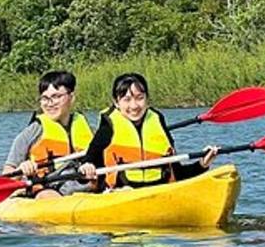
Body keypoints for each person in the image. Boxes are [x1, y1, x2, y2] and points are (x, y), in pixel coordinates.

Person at [79, 72, 218, 191]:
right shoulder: (108, 127)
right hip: (121, 194)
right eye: (127, 100)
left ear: (147, 99)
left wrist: (202, 164)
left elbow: (178, 172)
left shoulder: (157, 120)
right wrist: (87, 167)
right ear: (116, 102)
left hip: (161, 192)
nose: (134, 106)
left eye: (139, 98)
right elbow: (89, 162)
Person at [2, 70, 95, 199]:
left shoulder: (89, 130)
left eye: (56, 97)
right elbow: (8, 174)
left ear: (71, 97)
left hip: (86, 190)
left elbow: (104, 161)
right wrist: (22, 168)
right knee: (48, 195)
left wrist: (91, 165)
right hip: (47, 190)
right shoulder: (32, 133)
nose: (50, 103)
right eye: (45, 98)